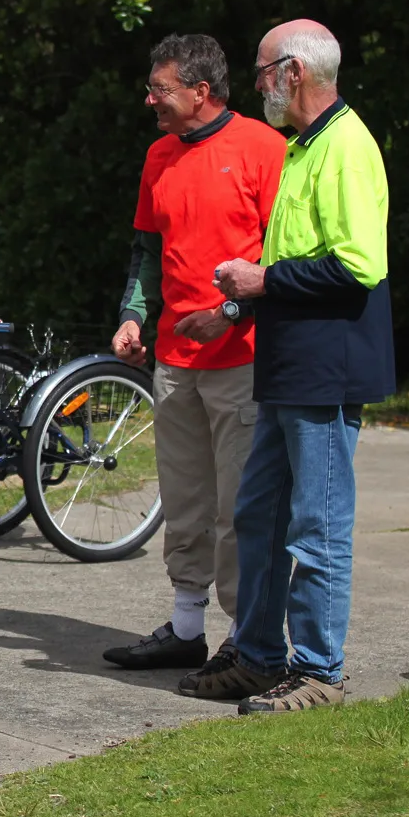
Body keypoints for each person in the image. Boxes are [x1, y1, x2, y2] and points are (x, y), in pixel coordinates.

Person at [179, 19, 393, 713]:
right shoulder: (305, 147)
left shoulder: (346, 147)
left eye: (265, 68)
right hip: (287, 363)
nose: (259, 81)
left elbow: (359, 265)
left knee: (317, 524)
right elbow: (291, 258)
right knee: (259, 513)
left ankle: (321, 672)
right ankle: (262, 656)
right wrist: (235, 310)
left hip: (324, 367)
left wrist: (260, 285)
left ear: (294, 73)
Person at [103, 34, 286, 670]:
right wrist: (133, 314)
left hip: (243, 356)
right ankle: (186, 628)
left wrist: (232, 312)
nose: (150, 98)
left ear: (201, 91)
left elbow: (285, 258)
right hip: (175, 361)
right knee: (184, 500)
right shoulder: (159, 155)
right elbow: (145, 251)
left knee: (242, 507)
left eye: (161, 89)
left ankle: (245, 640)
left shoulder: (265, 148)